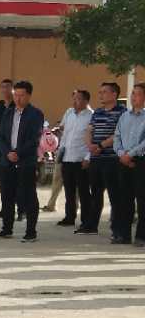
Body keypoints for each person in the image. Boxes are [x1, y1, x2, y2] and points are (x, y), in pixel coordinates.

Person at [0, 81, 44, 242]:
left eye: (21, 95)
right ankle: (6, 229)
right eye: (16, 95)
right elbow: (1, 137)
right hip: (7, 160)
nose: (18, 98)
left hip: (26, 161)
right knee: (7, 195)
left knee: (28, 196)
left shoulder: (35, 114)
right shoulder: (8, 112)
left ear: (29, 95)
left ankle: (31, 231)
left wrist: (18, 153)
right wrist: (8, 152)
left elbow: (34, 138)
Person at [79, 82, 126, 236]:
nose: (101, 95)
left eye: (104, 92)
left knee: (115, 195)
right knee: (95, 193)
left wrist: (101, 145)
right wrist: (90, 145)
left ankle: (117, 229)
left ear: (114, 94)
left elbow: (118, 134)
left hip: (112, 159)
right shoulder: (97, 112)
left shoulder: (122, 112)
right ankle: (91, 225)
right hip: (96, 158)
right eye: (100, 92)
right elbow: (89, 130)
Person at [112, 83, 145, 246]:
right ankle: (123, 235)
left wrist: (130, 154)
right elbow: (117, 137)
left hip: (141, 161)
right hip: (123, 160)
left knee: (142, 199)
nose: (133, 97)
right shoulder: (124, 116)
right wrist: (121, 154)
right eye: (132, 93)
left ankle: (141, 236)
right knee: (124, 199)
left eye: (137, 94)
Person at [53, 90, 92, 228]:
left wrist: (88, 157)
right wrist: (60, 152)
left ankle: (86, 220)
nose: (75, 102)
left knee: (83, 191)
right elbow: (65, 134)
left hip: (81, 159)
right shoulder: (69, 113)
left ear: (86, 101)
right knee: (69, 191)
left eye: (78, 99)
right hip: (67, 157)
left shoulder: (91, 116)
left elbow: (92, 139)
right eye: (74, 98)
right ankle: (69, 217)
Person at [0, 79, 15, 219]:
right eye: (3, 87)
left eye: (8, 87)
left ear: (13, 89)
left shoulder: (17, 105)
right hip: (1, 147)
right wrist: (2, 135)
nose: (5, 89)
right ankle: (5, 209)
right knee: (4, 181)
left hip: (15, 148)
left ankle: (21, 210)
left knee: (17, 181)